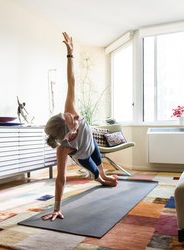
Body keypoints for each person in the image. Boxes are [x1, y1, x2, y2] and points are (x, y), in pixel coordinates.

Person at [42, 32, 118, 221]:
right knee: (98, 177)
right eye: (67, 118)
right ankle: (100, 179)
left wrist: (70, 54)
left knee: (103, 168)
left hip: (91, 143)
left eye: (65, 114)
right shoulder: (63, 149)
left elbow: (71, 82)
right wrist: (57, 208)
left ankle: (104, 175)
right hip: (83, 155)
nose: (69, 113)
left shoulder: (70, 110)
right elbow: (60, 179)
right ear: (67, 133)